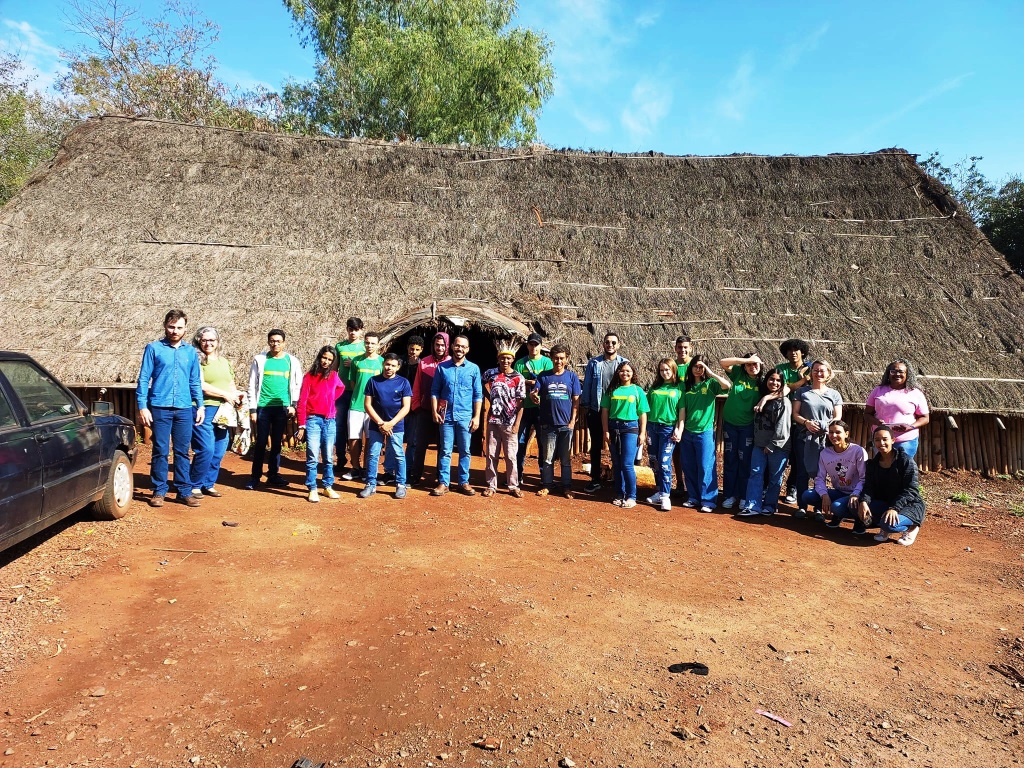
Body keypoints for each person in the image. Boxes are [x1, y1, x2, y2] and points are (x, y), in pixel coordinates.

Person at [136, 309, 204, 507]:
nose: (175, 331)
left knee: (183, 451)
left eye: (179, 328)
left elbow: (194, 381)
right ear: (165, 326)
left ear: (185, 329)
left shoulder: (191, 352)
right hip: (159, 406)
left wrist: (200, 406)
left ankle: (184, 490)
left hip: (184, 407)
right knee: (160, 449)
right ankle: (159, 490)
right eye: (171, 327)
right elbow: (143, 379)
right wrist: (143, 406)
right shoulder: (153, 348)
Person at [189, 326, 243, 499]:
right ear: (199, 341)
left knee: (220, 449)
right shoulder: (196, 361)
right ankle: (194, 484)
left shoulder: (224, 362)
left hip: (224, 411)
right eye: (204, 340)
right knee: (206, 448)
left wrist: (236, 396)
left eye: (212, 340)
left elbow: (230, 383)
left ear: (218, 342)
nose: (208, 343)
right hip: (203, 409)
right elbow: (201, 386)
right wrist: (226, 395)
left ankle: (208, 483)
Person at [246, 329, 302, 490]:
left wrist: (293, 405)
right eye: (272, 341)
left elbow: (297, 384)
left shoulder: (292, 361)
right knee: (261, 443)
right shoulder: (260, 360)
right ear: (268, 341)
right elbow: (252, 384)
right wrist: (252, 410)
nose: (275, 344)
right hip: (263, 407)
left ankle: (273, 475)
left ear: (284, 342)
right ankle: (255, 477)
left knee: (277, 443)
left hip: (282, 408)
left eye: (278, 341)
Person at [430, 335, 483, 496]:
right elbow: (434, 391)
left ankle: (463, 482)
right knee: (445, 450)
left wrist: (477, 416)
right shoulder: (442, 368)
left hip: (465, 416)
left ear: (467, 349)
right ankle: (443, 482)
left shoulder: (473, 369)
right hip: (446, 416)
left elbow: (478, 395)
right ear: (452, 346)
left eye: (463, 347)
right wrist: (434, 411)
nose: (460, 349)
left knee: (465, 450)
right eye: (457, 345)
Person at [790, 359, 843, 517]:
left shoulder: (834, 394)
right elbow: (795, 414)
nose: (819, 373)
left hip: (825, 439)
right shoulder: (802, 392)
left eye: (822, 370)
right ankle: (802, 506)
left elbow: (837, 416)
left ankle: (819, 507)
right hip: (803, 437)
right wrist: (806, 423)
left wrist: (823, 426)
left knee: (821, 473)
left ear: (828, 373)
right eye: (815, 370)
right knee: (802, 471)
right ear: (810, 372)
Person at [680, 355, 732, 513]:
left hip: (705, 432)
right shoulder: (685, 386)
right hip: (687, 431)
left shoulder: (710, 384)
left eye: (701, 366)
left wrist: (710, 372)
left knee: (705, 466)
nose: (698, 369)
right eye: (695, 366)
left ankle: (708, 500)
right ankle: (693, 497)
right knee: (689, 466)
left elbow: (727, 385)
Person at [858, 427, 926, 545]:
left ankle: (912, 527)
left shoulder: (905, 461)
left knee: (889, 525)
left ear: (893, 440)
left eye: (885, 439)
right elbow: (869, 487)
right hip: (887, 503)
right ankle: (885, 520)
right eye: (877, 440)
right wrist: (863, 501)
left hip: (909, 504)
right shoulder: (872, 464)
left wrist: (894, 508)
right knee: (856, 509)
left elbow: (911, 490)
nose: (881, 443)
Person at [737, 370, 792, 517]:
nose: (774, 383)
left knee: (775, 477)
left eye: (778, 380)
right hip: (759, 444)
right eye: (771, 379)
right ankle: (752, 505)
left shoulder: (784, 402)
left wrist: (772, 445)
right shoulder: (762, 398)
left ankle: (770, 505)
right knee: (755, 473)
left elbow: (783, 428)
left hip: (778, 447)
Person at [296, 346, 346, 503]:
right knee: (312, 455)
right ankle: (312, 487)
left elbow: (341, 388)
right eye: (324, 358)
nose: (326, 361)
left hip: (330, 420)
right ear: (319, 357)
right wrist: (301, 425)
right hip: (313, 420)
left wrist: (330, 400)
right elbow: (302, 401)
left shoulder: (334, 375)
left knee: (329, 456)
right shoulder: (309, 376)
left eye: (330, 360)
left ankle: (327, 486)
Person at [360, 353, 413, 499]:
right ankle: (370, 484)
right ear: (383, 364)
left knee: (398, 454)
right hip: (376, 424)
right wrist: (381, 423)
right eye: (387, 364)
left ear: (398, 367)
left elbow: (406, 407)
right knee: (373, 453)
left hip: (395, 425)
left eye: (393, 365)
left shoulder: (403, 383)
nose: (389, 368)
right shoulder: (373, 381)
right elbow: (367, 405)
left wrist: (391, 423)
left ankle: (401, 484)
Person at [582, 332, 628, 494]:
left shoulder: (624, 364)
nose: (610, 345)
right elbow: (587, 384)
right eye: (607, 342)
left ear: (619, 344)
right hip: (597, 410)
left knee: (618, 446)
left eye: (613, 342)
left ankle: (618, 479)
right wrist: (586, 406)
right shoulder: (594, 363)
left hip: (617, 412)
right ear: (603, 344)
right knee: (595, 446)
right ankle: (595, 479)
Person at [533, 344, 581, 498]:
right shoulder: (543, 376)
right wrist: (533, 395)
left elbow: (576, 402)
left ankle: (566, 487)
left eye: (561, 358)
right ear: (551, 359)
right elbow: (535, 391)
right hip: (548, 425)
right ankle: (547, 485)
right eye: (555, 358)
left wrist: (572, 421)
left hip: (566, 425)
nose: (558, 361)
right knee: (547, 459)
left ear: (566, 359)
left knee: (566, 460)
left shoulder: (572, 377)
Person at [718, 352, 764, 510]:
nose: (752, 367)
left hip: (748, 427)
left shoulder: (763, 383)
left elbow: (778, 391)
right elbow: (723, 361)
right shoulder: (738, 375)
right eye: (749, 365)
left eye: (755, 364)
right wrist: (746, 360)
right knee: (730, 460)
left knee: (745, 462)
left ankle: (744, 496)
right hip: (730, 425)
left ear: (761, 365)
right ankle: (730, 495)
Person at [601, 361, 650, 508]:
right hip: (614, 427)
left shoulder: (637, 391)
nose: (625, 373)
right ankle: (619, 494)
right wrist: (605, 431)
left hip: (630, 429)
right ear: (618, 373)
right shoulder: (611, 390)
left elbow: (642, 414)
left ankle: (631, 496)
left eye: (628, 371)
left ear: (633, 373)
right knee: (616, 464)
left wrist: (642, 433)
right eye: (622, 371)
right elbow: (604, 412)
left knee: (627, 464)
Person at [482, 342, 527, 498]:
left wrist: (517, 424)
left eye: (508, 359)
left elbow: (521, 403)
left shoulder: (518, 378)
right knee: (492, 454)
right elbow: (481, 384)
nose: (505, 361)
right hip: (493, 421)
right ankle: (491, 485)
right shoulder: (490, 374)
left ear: (512, 360)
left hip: (510, 422)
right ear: (498, 359)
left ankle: (513, 485)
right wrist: (489, 397)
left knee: (510, 456)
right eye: (502, 358)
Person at [802, 420, 868, 525]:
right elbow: (819, 478)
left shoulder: (858, 451)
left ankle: (859, 521)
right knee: (807, 495)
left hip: (857, 493)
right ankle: (840, 513)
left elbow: (864, 478)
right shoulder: (825, 453)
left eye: (838, 432)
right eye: (831, 432)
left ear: (846, 434)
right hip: (839, 491)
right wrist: (824, 494)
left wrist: (855, 494)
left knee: (836, 507)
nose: (833, 435)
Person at [865, 359, 930, 461]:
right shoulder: (878, 391)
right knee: (883, 467)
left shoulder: (916, 393)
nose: (897, 374)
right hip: (881, 439)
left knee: (902, 468)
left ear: (907, 374)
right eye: (893, 371)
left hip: (905, 439)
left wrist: (910, 426)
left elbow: (925, 418)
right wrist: (877, 422)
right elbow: (867, 414)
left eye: (901, 372)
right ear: (888, 373)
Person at [408, 332, 450, 486]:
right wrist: (416, 406)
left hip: (444, 411)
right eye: (436, 344)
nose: (439, 348)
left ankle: (440, 478)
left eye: (442, 345)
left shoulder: (451, 363)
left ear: (447, 346)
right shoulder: (424, 363)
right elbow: (417, 385)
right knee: (420, 445)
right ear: (432, 345)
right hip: (424, 410)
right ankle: (415, 475)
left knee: (442, 445)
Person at [343, 331, 384, 481]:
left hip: (373, 408)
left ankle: (367, 468)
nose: (370, 345)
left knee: (370, 438)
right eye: (367, 342)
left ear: (378, 345)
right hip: (356, 404)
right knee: (353, 437)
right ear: (364, 343)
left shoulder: (382, 362)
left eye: (373, 343)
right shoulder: (356, 361)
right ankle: (355, 467)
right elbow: (353, 383)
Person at [645, 358, 684, 512]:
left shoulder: (679, 387)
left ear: (673, 370)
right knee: (654, 461)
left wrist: (678, 429)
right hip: (652, 427)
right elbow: (646, 409)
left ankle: (666, 496)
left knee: (664, 461)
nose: (665, 372)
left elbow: (682, 412)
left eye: (667, 369)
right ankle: (660, 490)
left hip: (668, 429)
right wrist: (645, 428)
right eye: (662, 370)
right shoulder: (654, 387)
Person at [513, 333, 553, 483]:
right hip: (523, 407)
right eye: (531, 344)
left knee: (543, 443)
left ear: (541, 346)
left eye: (536, 344)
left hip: (541, 408)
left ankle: (544, 476)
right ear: (527, 345)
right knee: (520, 442)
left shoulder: (547, 362)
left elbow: (548, 382)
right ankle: (517, 475)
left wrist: (529, 382)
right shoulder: (520, 363)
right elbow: (516, 383)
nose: (533, 347)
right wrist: (532, 382)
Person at [777, 338, 812, 504]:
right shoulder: (781, 369)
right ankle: (770, 487)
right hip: (783, 418)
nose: (793, 353)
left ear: (802, 352)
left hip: (803, 419)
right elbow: (785, 388)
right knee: (780, 453)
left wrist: (808, 375)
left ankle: (792, 487)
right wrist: (804, 380)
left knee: (799, 458)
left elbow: (827, 377)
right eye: (789, 350)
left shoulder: (811, 368)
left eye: (796, 350)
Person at [334, 317, 365, 476]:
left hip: (359, 392)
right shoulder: (339, 346)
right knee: (339, 426)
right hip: (341, 392)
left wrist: (353, 363)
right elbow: (334, 367)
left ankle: (358, 462)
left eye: (356, 329)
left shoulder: (365, 346)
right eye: (350, 329)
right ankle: (340, 457)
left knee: (359, 429)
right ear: (347, 329)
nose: (353, 332)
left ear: (361, 330)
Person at [671, 335, 694, 501]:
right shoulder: (672, 366)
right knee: (677, 451)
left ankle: (693, 486)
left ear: (690, 348)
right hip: (675, 413)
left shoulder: (696, 365)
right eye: (680, 347)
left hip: (693, 414)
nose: (682, 350)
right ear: (675, 348)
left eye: (685, 347)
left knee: (692, 453)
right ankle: (679, 483)